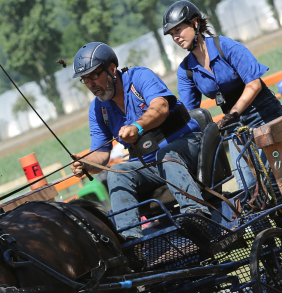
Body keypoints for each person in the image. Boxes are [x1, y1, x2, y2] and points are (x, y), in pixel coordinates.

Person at [69, 42, 209, 241]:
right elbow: (101, 154)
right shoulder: (98, 110)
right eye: (85, 80)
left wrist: (138, 127)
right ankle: (131, 240)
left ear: (111, 69)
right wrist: (85, 164)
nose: (91, 85)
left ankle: (196, 216)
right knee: (117, 175)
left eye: (94, 76)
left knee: (165, 155)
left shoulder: (139, 78)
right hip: (150, 164)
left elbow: (160, 107)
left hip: (188, 145)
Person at [165, 1, 282, 196]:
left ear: (195, 23)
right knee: (248, 186)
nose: (176, 37)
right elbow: (188, 113)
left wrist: (232, 114)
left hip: (263, 114)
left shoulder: (226, 46)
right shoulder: (185, 69)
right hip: (234, 126)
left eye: (178, 29)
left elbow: (254, 85)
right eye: (172, 34)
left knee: (276, 179)